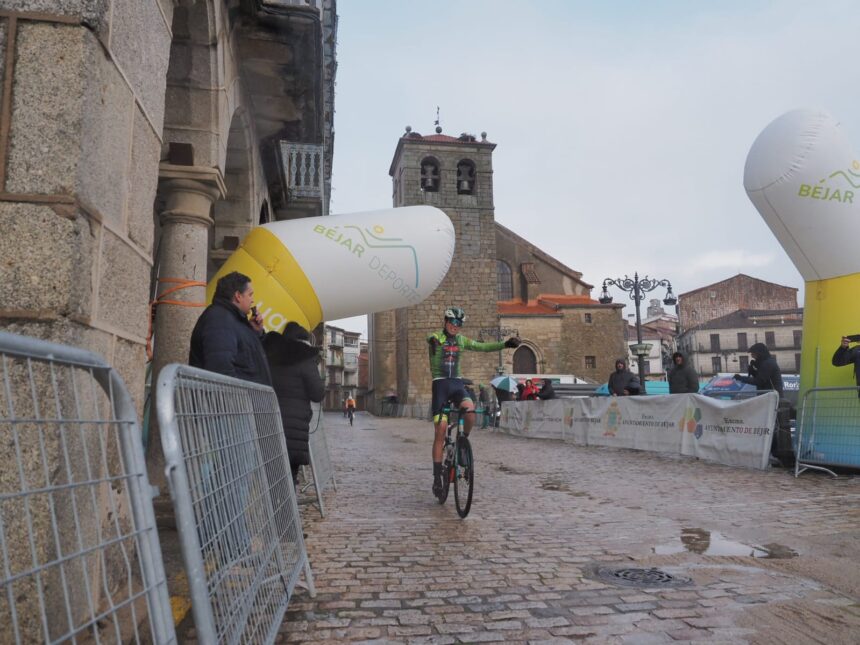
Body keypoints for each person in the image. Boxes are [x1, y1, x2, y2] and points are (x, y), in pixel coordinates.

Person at [427, 306, 520, 496]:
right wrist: (434, 341)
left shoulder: (462, 340)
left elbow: (482, 347)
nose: (455, 326)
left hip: (457, 384)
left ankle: (463, 443)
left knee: (470, 412)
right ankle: (437, 478)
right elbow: (430, 337)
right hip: (440, 386)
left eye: (459, 323)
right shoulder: (437, 337)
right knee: (441, 431)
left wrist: (505, 344)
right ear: (446, 322)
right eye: (452, 322)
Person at [262, 322, 325, 485]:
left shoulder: (271, 357)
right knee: (290, 477)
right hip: (295, 429)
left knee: (272, 476)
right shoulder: (305, 359)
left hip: (270, 424)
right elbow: (317, 394)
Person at [189, 271, 271, 386]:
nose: (252, 300)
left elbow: (247, 360)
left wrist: (256, 332)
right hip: (234, 396)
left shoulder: (233, 320)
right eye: (250, 294)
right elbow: (220, 370)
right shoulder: (219, 320)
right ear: (238, 296)